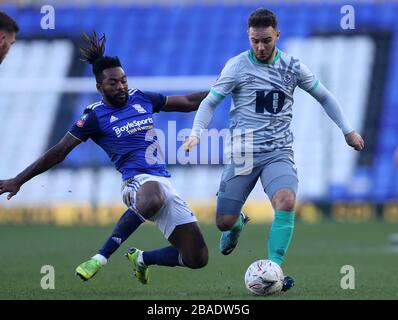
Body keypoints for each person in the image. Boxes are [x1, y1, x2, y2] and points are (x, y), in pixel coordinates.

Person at [0, 32, 209, 284]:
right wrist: (19, 180)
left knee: (197, 258)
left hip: (162, 182)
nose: (120, 86)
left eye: (123, 80)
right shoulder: (94, 117)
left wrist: (221, 90)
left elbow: (187, 101)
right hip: (136, 184)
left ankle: (142, 259)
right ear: (100, 87)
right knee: (153, 194)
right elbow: (59, 151)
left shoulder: (141, 98)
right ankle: (100, 258)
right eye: (113, 83)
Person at [183, 8, 364, 291]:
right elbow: (209, 102)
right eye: (255, 40)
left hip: (278, 152)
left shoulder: (293, 67)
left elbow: (325, 97)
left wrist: (348, 130)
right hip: (242, 153)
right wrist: (195, 134)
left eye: (266, 40)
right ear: (248, 36)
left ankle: (275, 269)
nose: (260, 47)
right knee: (223, 221)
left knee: (286, 201)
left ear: (277, 35)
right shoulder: (237, 66)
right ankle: (237, 224)